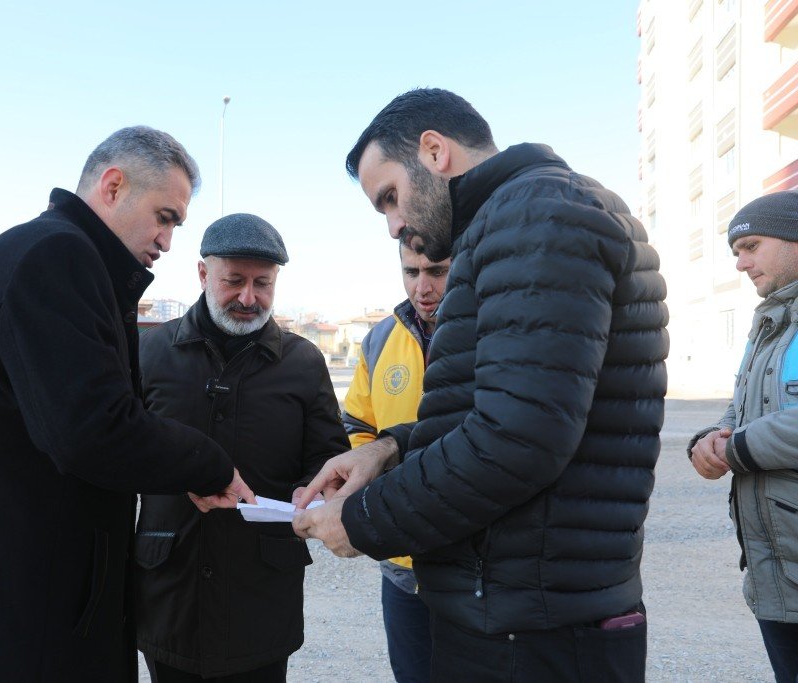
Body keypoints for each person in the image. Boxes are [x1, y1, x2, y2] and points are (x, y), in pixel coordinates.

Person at [294, 88, 669, 681]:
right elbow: (499, 407)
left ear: (435, 151)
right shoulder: (514, 219)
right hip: (517, 609)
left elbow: (517, 439)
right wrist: (389, 450)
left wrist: (363, 519)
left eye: (391, 196)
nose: (395, 225)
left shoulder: (538, 213)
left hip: (535, 627)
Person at [0, 126, 255, 681]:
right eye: (165, 217)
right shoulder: (56, 257)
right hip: (12, 605)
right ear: (114, 186)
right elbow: (94, 430)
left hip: (21, 590)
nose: (168, 240)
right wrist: (209, 462)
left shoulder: (64, 257)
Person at [134, 212, 349, 682]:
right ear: (202, 273)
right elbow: (119, 450)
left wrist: (312, 494)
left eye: (263, 284)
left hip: (262, 599)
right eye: (234, 281)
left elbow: (327, 459)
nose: (249, 298)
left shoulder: (304, 362)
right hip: (171, 592)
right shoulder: (150, 352)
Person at [687, 191, 798, 683]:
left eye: (751, 246)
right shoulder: (769, 322)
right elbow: (743, 404)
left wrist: (734, 450)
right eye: (736, 251)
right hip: (777, 571)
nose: (740, 263)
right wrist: (710, 438)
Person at [342, 242, 449, 682]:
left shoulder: (492, 332)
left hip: (472, 563)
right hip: (400, 562)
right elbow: (356, 421)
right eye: (411, 272)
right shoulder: (380, 338)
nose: (422, 287)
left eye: (437, 272)